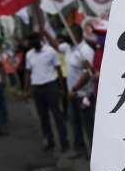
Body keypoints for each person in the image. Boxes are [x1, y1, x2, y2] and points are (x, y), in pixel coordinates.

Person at [42, 26, 97, 158]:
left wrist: (74, 88)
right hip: (73, 95)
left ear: (77, 35)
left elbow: (88, 74)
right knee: (75, 123)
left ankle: (95, 153)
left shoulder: (85, 51)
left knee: (88, 124)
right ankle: (80, 150)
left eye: (70, 34)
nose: (67, 37)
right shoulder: (69, 48)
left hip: (84, 95)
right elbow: (56, 46)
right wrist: (45, 33)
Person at [24, 32, 69, 152]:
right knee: (43, 116)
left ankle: (64, 141)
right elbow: (28, 72)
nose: (33, 42)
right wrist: (26, 89)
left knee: (57, 115)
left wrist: (61, 88)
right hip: (36, 88)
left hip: (50, 86)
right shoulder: (29, 54)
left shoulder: (50, 51)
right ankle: (49, 140)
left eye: (35, 39)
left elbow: (58, 69)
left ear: (40, 39)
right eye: (31, 40)